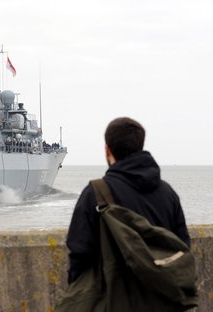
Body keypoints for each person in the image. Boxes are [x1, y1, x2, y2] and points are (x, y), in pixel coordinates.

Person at [66, 117, 190, 284]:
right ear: (140, 146)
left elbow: (79, 254)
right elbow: (183, 247)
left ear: (107, 150)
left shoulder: (95, 193)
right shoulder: (168, 193)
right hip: (162, 300)